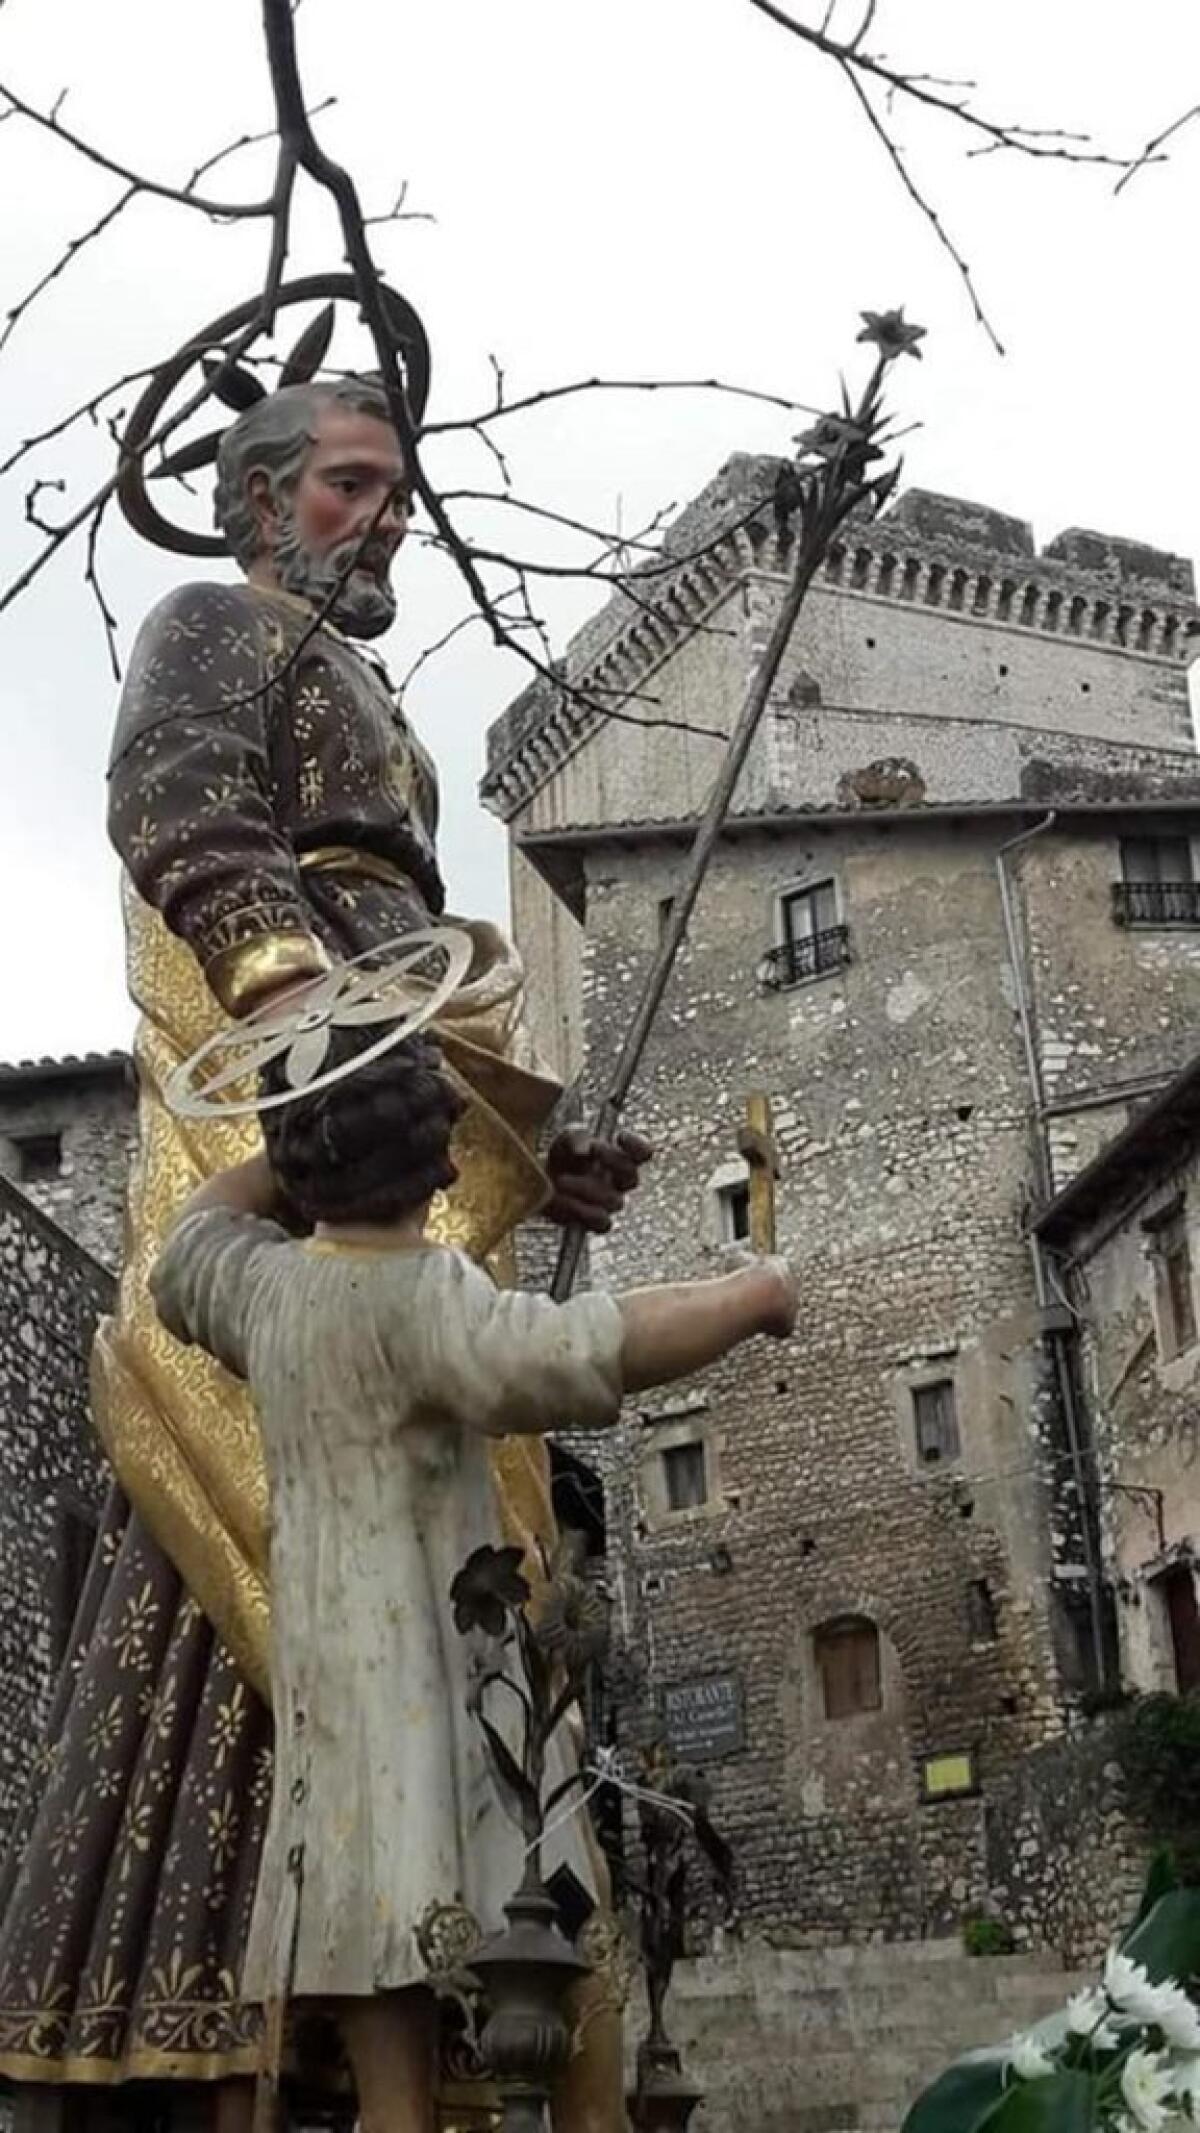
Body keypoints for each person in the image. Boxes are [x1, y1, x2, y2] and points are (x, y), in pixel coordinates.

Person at [0, 372, 647, 2126]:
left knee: (449, 1548)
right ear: (256, 498)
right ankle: (241, 2020)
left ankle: (462, 2008)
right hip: (288, 1122)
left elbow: (400, 930)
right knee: (281, 1528)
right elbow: (190, 817)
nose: (388, 518)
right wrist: (307, 1027)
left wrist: (522, 1145)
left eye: (394, 489)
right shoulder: (211, 624)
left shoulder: (373, 697)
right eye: (356, 484)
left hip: (392, 1115)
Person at [150, 1025, 797, 2133]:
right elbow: (587, 1348)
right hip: (450, 1679)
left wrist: (296, 1121)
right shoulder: (424, 1302)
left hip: (332, 1690)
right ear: (446, 1165)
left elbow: (185, 1243)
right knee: (546, 1935)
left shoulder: (262, 1292)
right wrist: (753, 1294)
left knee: (378, 1974)